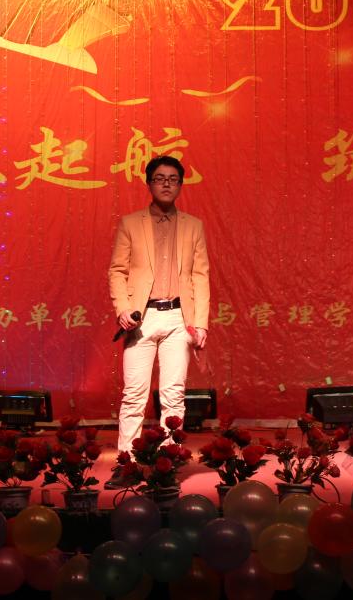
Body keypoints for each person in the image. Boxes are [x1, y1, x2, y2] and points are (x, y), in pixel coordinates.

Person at [106, 155, 210, 488]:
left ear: (181, 184)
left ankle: (167, 466)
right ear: (149, 183)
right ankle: (126, 465)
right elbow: (117, 271)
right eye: (160, 178)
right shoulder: (130, 223)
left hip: (179, 317)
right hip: (142, 318)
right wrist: (123, 308)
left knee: (173, 396)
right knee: (134, 395)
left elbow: (200, 275)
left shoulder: (193, 225)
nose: (166, 184)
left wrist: (201, 322)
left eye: (173, 179)